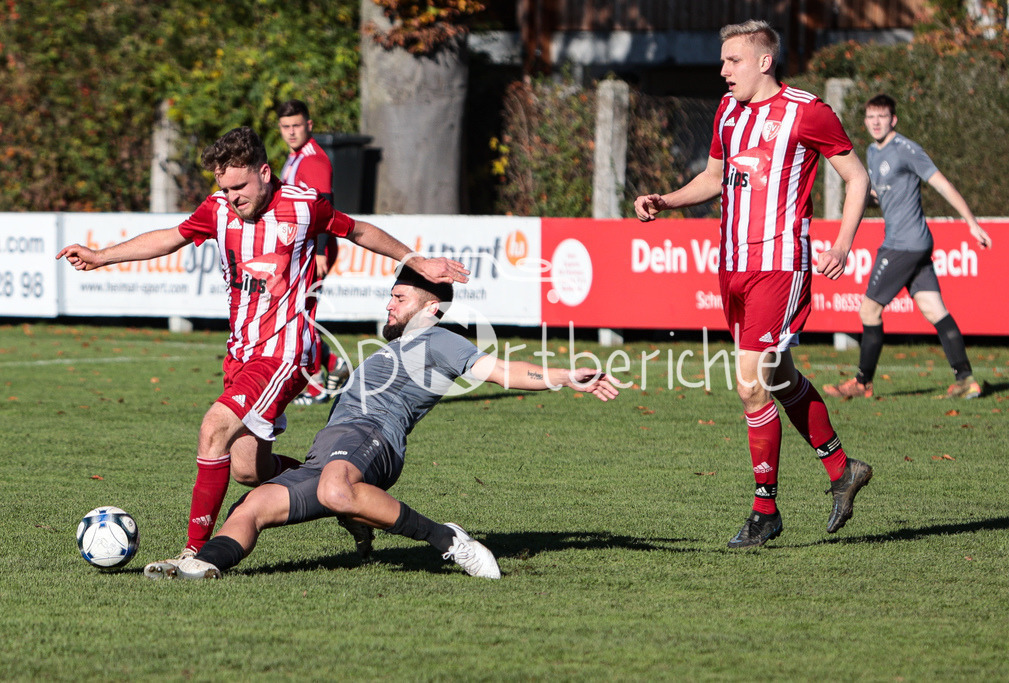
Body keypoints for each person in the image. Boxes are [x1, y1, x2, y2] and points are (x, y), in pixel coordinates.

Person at [57, 126, 469, 566]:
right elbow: (171, 236)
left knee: (213, 428)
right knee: (248, 469)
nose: (232, 197)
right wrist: (102, 256)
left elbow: (359, 231)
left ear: (265, 173)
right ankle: (348, 497)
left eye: (239, 186)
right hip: (241, 355)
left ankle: (193, 552)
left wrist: (415, 260)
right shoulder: (217, 210)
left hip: (286, 351)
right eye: (224, 188)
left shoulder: (303, 205)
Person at [142, 267, 619, 580]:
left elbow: (500, 371)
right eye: (389, 296)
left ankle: (449, 539)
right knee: (251, 505)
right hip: (328, 451)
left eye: (400, 297)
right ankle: (201, 564)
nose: (389, 304)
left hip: (374, 439)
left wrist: (562, 377)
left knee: (334, 489)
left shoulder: (441, 340)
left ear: (431, 307)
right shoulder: (388, 349)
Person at [633, 20, 873, 548]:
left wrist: (842, 243)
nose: (722, 71)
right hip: (733, 266)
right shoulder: (727, 111)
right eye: (722, 61)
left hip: (779, 266)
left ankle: (765, 512)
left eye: (732, 61)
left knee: (748, 383)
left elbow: (857, 176)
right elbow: (715, 178)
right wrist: (666, 201)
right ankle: (842, 469)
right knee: (779, 376)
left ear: (764, 62)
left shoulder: (807, 111)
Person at [824, 93, 992, 401]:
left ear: (893, 119)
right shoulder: (873, 153)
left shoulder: (906, 149)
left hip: (903, 244)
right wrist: (861, 197)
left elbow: (942, 184)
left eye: (882, 117)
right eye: (870, 117)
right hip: (915, 244)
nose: (876, 122)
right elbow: (881, 196)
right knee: (934, 308)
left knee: (869, 309)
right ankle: (966, 379)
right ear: (865, 120)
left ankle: (862, 382)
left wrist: (971, 222)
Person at [276, 98, 347, 404]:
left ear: (309, 125)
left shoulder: (313, 160)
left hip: (313, 250)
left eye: (296, 125)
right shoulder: (294, 157)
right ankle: (332, 364)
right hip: (300, 250)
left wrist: (319, 251)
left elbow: (325, 209)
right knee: (296, 312)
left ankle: (316, 385)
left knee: (301, 315)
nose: (291, 132)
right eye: (285, 126)